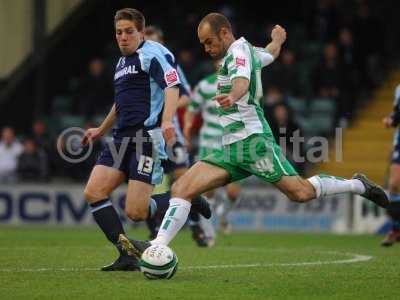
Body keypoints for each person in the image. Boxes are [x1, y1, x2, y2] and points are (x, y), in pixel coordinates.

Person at [119, 12, 388, 257]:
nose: (207, 48)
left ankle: (358, 185)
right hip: (230, 147)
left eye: (209, 41)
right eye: (203, 43)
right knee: (182, 187)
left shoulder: (238, 52)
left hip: (253, 143)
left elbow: (241, 82)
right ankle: (157, 246)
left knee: (300, 192)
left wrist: (233, 96)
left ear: (225, 33)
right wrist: (277, 41)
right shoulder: (247, 51)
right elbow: (269, 54)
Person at [81, 8, 209, 272]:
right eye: (119, 32)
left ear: (141, 32)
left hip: (145, 139)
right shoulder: (121, 63)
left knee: (136, 213)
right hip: (119, 140)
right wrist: (101, 130)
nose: (123, 37)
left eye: (129, 32)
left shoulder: (155, 53)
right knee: (94, 192)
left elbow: (172, 87)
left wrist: (166, 120)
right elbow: (120, 104)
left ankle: (187, 196)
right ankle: (126, 253)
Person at [143, 25, 211, 247]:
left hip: (171, 134)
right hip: (147, 135)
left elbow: (186, 95)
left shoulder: (170, 64)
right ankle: (153, 231)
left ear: (161, 42)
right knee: (147, 185)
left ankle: (194, 226)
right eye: (148, 41)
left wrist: (166, 109)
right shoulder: (139, 65)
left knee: (183, 177)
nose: (152, 46)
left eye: (155, 41)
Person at [184, 63, 241, 240]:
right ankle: (208, 233)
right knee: (208, 190)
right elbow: (191, 110)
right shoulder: (204, 85)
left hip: (233, 141)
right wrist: (186, 131)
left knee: (233, 192)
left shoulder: (240, 84)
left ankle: (224, 216)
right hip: (209, 141)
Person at [381, 84, 400, 246]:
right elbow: (396, 114)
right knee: (393, 184)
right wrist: (390, 120)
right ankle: (395, 229)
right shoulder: (399, 89)